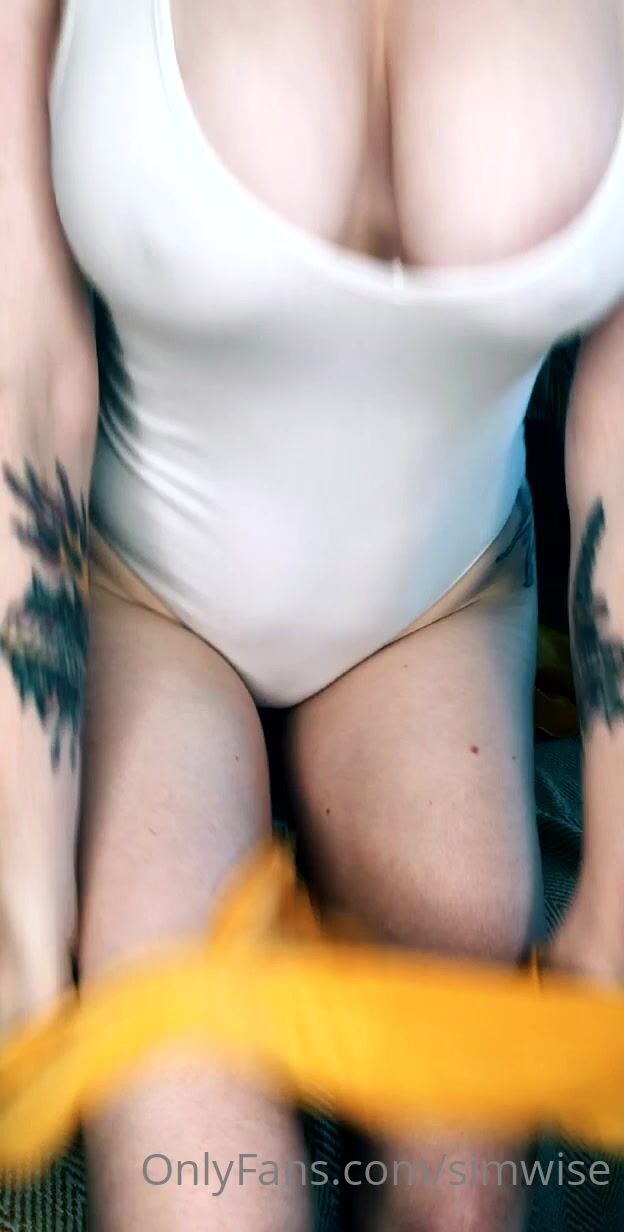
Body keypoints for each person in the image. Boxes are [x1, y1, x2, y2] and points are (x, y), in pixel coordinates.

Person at [2, 2, 624, 1229]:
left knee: (465, 1196)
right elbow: (25, 372)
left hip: (439, 610)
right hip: (138, 600)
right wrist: (18, 886)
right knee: (199, 1191)